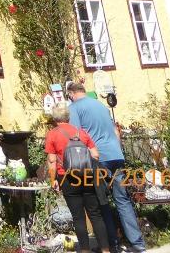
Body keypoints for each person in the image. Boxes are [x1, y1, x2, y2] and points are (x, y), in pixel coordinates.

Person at [67, 80, 147, 253]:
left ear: (71, 94)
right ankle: (138, 244)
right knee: (123, 200)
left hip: (98, 158)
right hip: (116, 155)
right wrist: (117, 150)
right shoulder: (101, 106)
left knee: (101, 202)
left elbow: (76, 136)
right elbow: (116, 131)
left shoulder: (74, 108)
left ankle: (112, 243)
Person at [45, 102, 112, 253]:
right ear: (68, 117)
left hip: (67, 177)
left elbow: (52, 160)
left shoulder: (52, 134)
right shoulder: (81, 132)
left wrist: (53, 180)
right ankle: (106, 250)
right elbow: (95, 154)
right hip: (87, 177)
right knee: (95, 215)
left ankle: (85, 250)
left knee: (78, 217)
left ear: (55, 119)